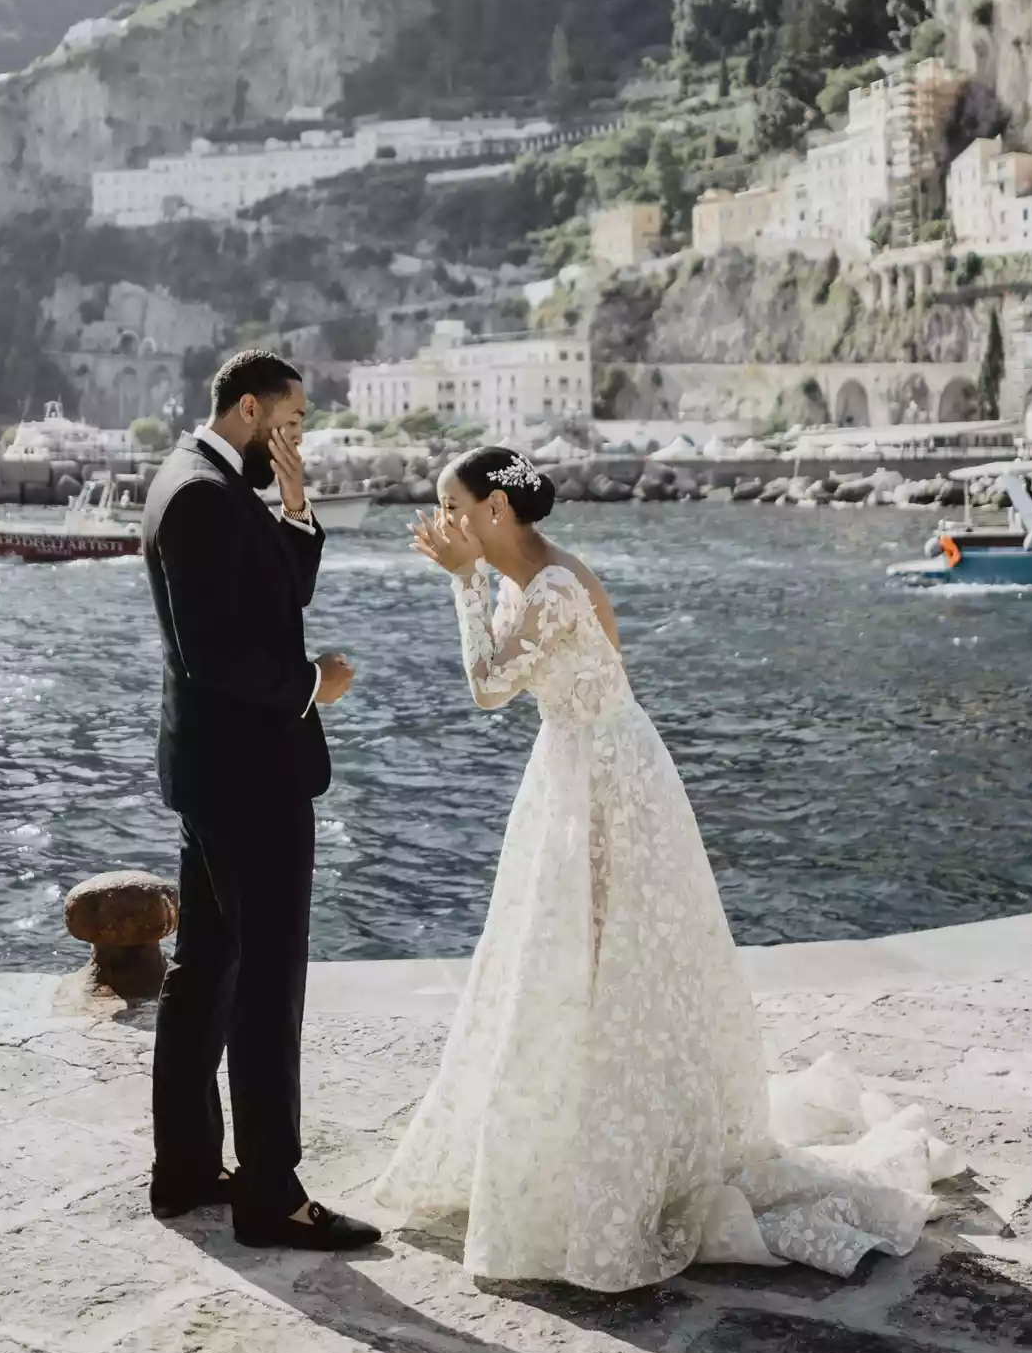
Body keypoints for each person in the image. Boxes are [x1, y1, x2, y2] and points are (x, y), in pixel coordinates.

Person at [374, 443, 955, 1290]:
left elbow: (488, 690)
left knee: (614, 959)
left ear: (495, 511)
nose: (447, 523)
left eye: (454, 507)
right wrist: (478, 581)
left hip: (608, 780)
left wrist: (459, 581)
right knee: (567, 959)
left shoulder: (554, 586)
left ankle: (631, 1149)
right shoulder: (529, 577)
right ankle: (576, 1130)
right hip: (582, 770)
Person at [143, 347, 380, 1252]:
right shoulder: (202, 495)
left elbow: (271, 597)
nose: (299, 437)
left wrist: (297, 508)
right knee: (268, 981)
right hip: (248, 776)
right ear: (250, 408)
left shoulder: (201, 478)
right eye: (293, 422)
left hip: (213, 771)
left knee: (207, 970)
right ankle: (271, 1195)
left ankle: (189, 1168)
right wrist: (312, 684)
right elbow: (218, 654)